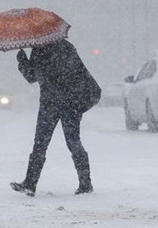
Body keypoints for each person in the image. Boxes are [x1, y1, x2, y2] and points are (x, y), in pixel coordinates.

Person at [10, 39, 101, 197]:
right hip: (70, 102)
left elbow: (32, 77)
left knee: (40, 143)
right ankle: (85, 183)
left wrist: (23, 62)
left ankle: (31, 183)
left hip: (51, 103)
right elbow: (77, 72)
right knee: (73, 141)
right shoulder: (65, 47)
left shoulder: (40, 50)